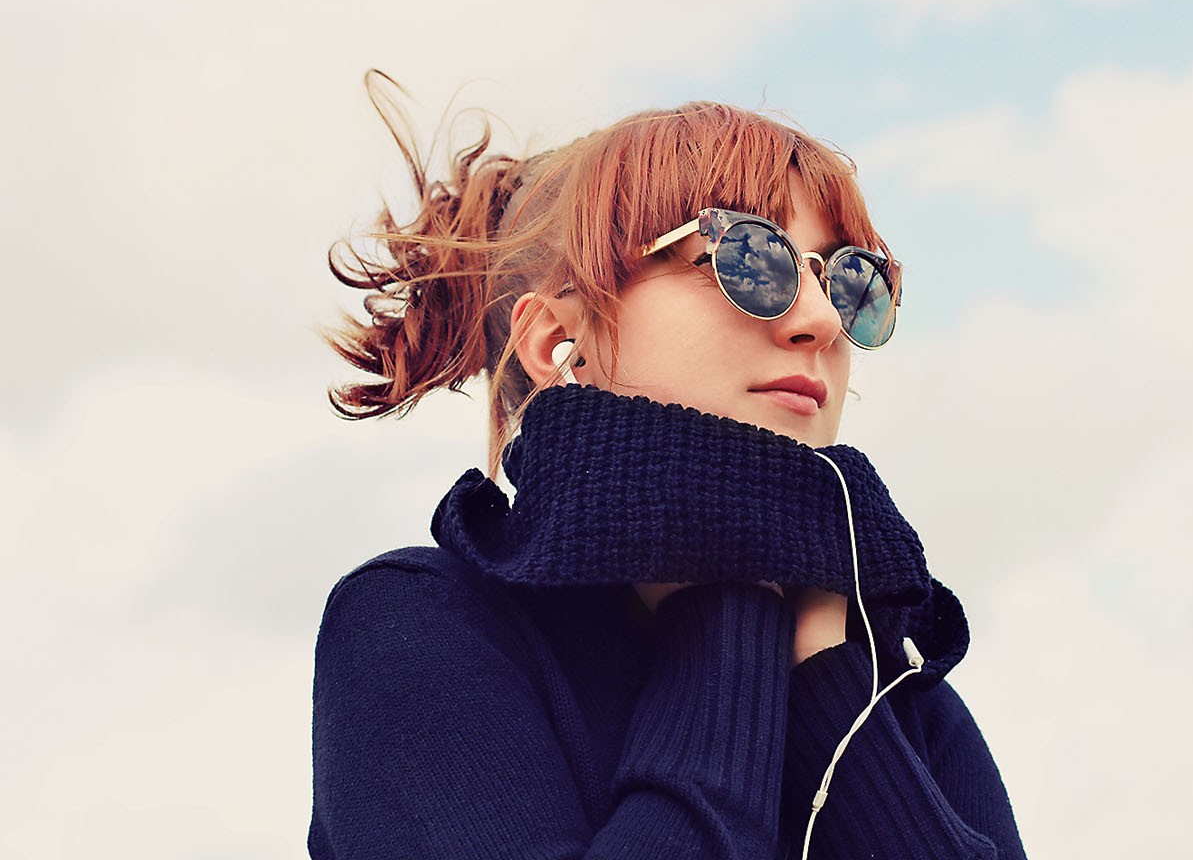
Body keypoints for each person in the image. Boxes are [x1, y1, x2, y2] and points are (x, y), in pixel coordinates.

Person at [309, 72, 1026, 859]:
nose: (821, 321)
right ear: (557, 342)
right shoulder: (423, 624)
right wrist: (730, 611)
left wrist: (825, 673)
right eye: (750, 258)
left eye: (851, 282)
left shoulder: (902, 695)